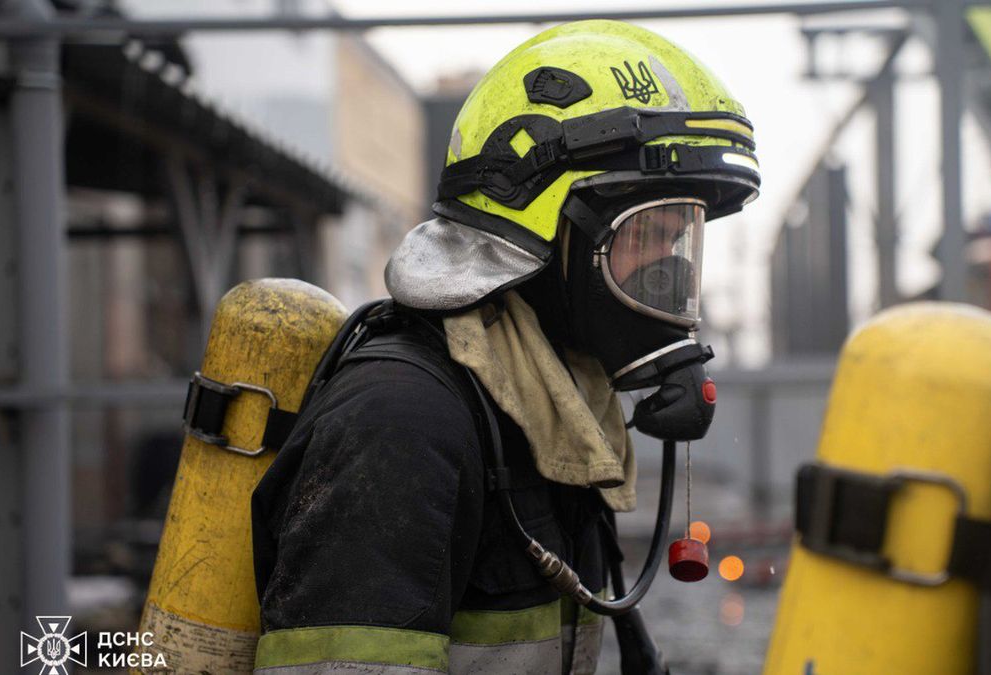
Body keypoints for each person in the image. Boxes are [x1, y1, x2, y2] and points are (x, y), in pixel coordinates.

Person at [250, 19, 760, 675]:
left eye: (678, 239)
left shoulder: (552, 413)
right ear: (546, 228)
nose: (667, 274)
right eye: (647, 235)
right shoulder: (400, 426)